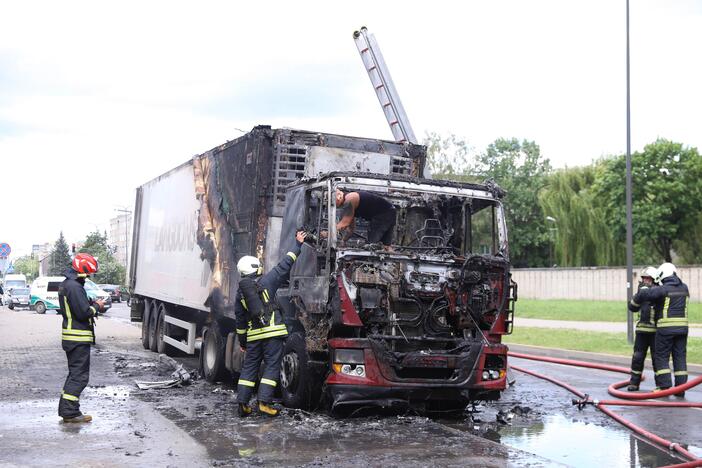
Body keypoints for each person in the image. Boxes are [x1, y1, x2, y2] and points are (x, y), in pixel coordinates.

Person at [234, 230, 306, 417]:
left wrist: (243, 342)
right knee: (272, 366)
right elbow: (285, 264)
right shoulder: (267, 281)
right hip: (272, 333)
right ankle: (264, 403)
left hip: (253, 337)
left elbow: (240, 321)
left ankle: (243, 403)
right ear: (256, 268)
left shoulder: (240, 294)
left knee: (249, 368)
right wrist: (298, 244)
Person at [58, 253, 105, 423]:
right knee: (79, 377)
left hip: (72, 338)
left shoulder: (68, 284)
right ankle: (70, 413)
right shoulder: (74, 287)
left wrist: (89, 303)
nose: (89, 277)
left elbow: (78, 307)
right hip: (78, 338)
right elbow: (83, 312)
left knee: (74, 375)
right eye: (89, 274)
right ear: (83, 270)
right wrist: (97, 306)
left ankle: (68, 410)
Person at [630, 262, 689, 395]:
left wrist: (643, 290)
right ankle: (680, 389)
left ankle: (664, 387)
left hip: (665, 329)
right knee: (680, 358)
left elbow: (645, 297)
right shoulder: (684, 288)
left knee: (661, 357)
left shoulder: (662, 289)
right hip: (683, 329)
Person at [325, 189, 396, 246]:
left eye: (331, 202)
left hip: (383, 215)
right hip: (390, 211)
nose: (333, 205)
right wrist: (343, 241)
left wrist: (328, 233)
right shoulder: (350, 203)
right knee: (386, 246)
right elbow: (351, 228)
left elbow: (344, 223)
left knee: (372, 246)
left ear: (338, 197)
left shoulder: (349, 200)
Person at [626, 266, 658, 391]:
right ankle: (634, 383)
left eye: (648, 279)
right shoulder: (641, 292)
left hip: (656, 332)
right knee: (637, 358)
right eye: (644, 278)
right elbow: (632, 307)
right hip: (641, 331)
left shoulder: (658, 291)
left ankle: (661, 385)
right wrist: (640, 294)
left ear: (654, 279)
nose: (645, 281)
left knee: (657, 359)